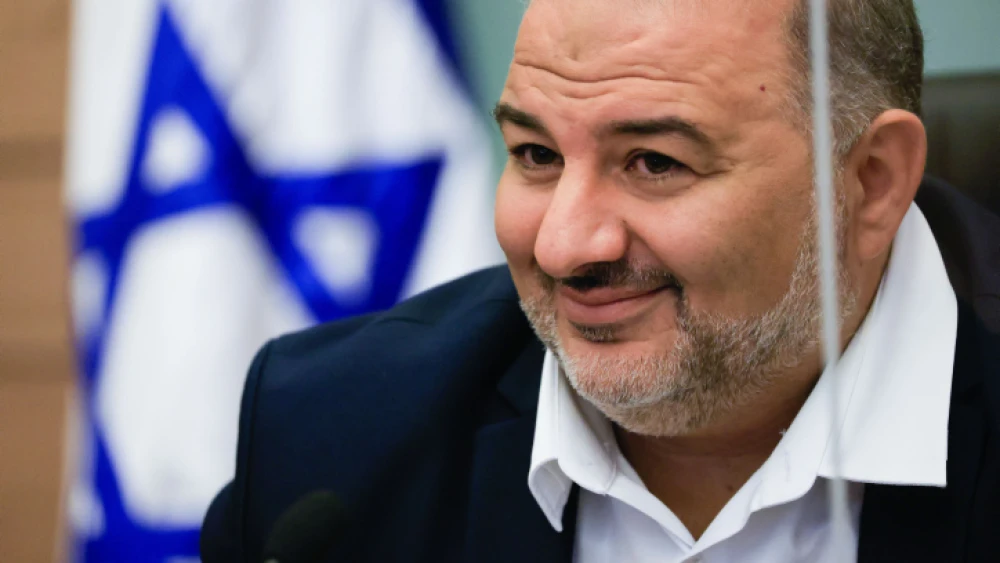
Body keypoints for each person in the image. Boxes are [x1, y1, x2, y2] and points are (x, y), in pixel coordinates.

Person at [201, 0, 1000, 561]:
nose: (562, 245)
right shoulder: (329, 440)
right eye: (535, 155)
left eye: (655, 162)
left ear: (869, 181)